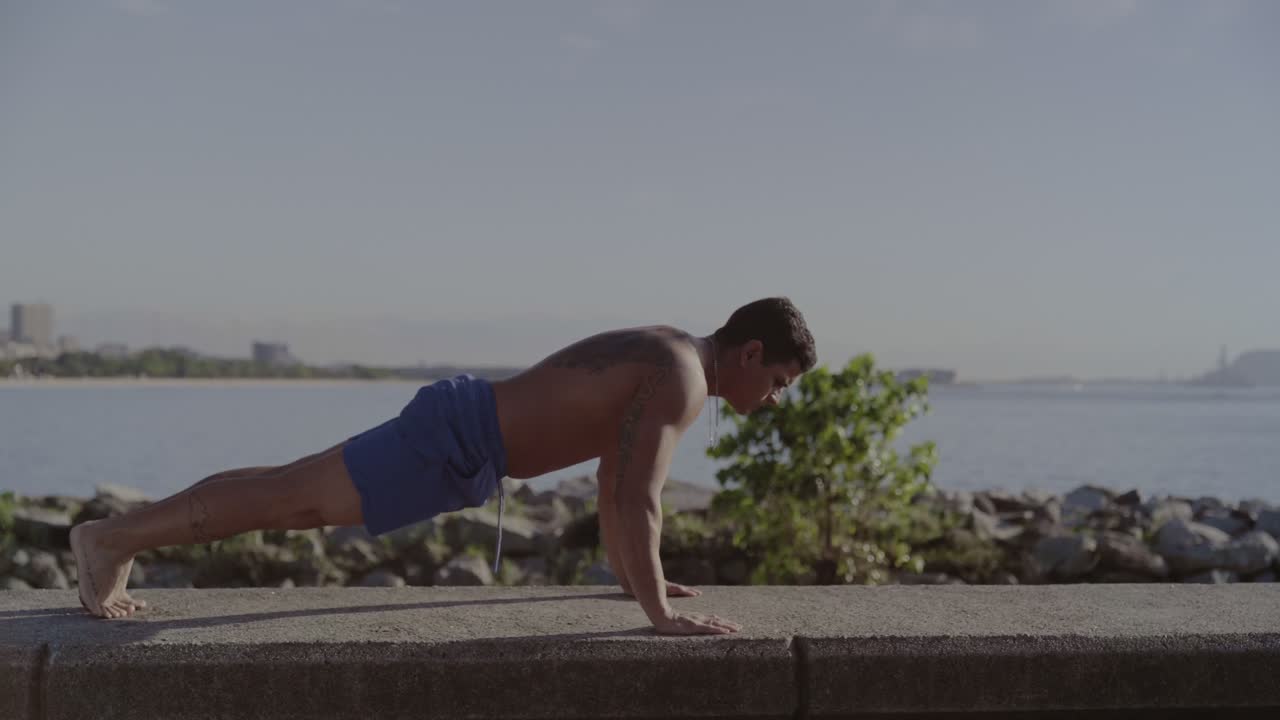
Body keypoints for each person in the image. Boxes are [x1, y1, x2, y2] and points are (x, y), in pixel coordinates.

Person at [70, 297, 817, 634]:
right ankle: (111, 539)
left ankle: (116, 537)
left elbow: (614, 482)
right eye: (779, 381)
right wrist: (662, 615)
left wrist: (634, 583)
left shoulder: (672, 350)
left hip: (462, 426)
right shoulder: (682, 380)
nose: (775, 398)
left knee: (286, 490)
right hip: (460, 439)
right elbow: (640, 499)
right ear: (751, 352)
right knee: (289, 500)